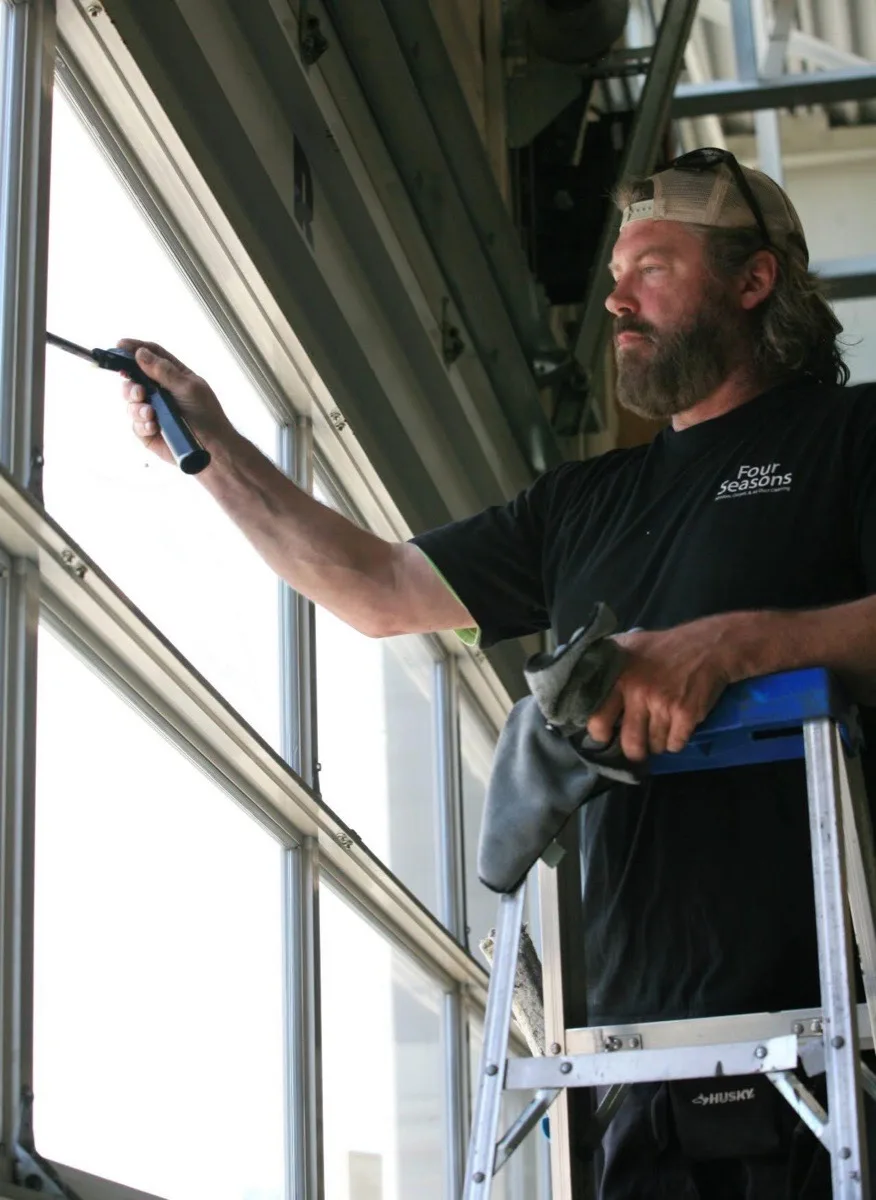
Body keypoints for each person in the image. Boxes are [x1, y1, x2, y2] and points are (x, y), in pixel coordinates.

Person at [120, 148, 876, 1197]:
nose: (615, 295)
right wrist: (219, 454)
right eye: (616, 270)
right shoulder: (580, 507)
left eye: (653, 267)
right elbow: (380, 589)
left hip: (842, 1026)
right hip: (633, 1050)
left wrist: (739, 644)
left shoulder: (852, 438)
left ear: (753, 283)